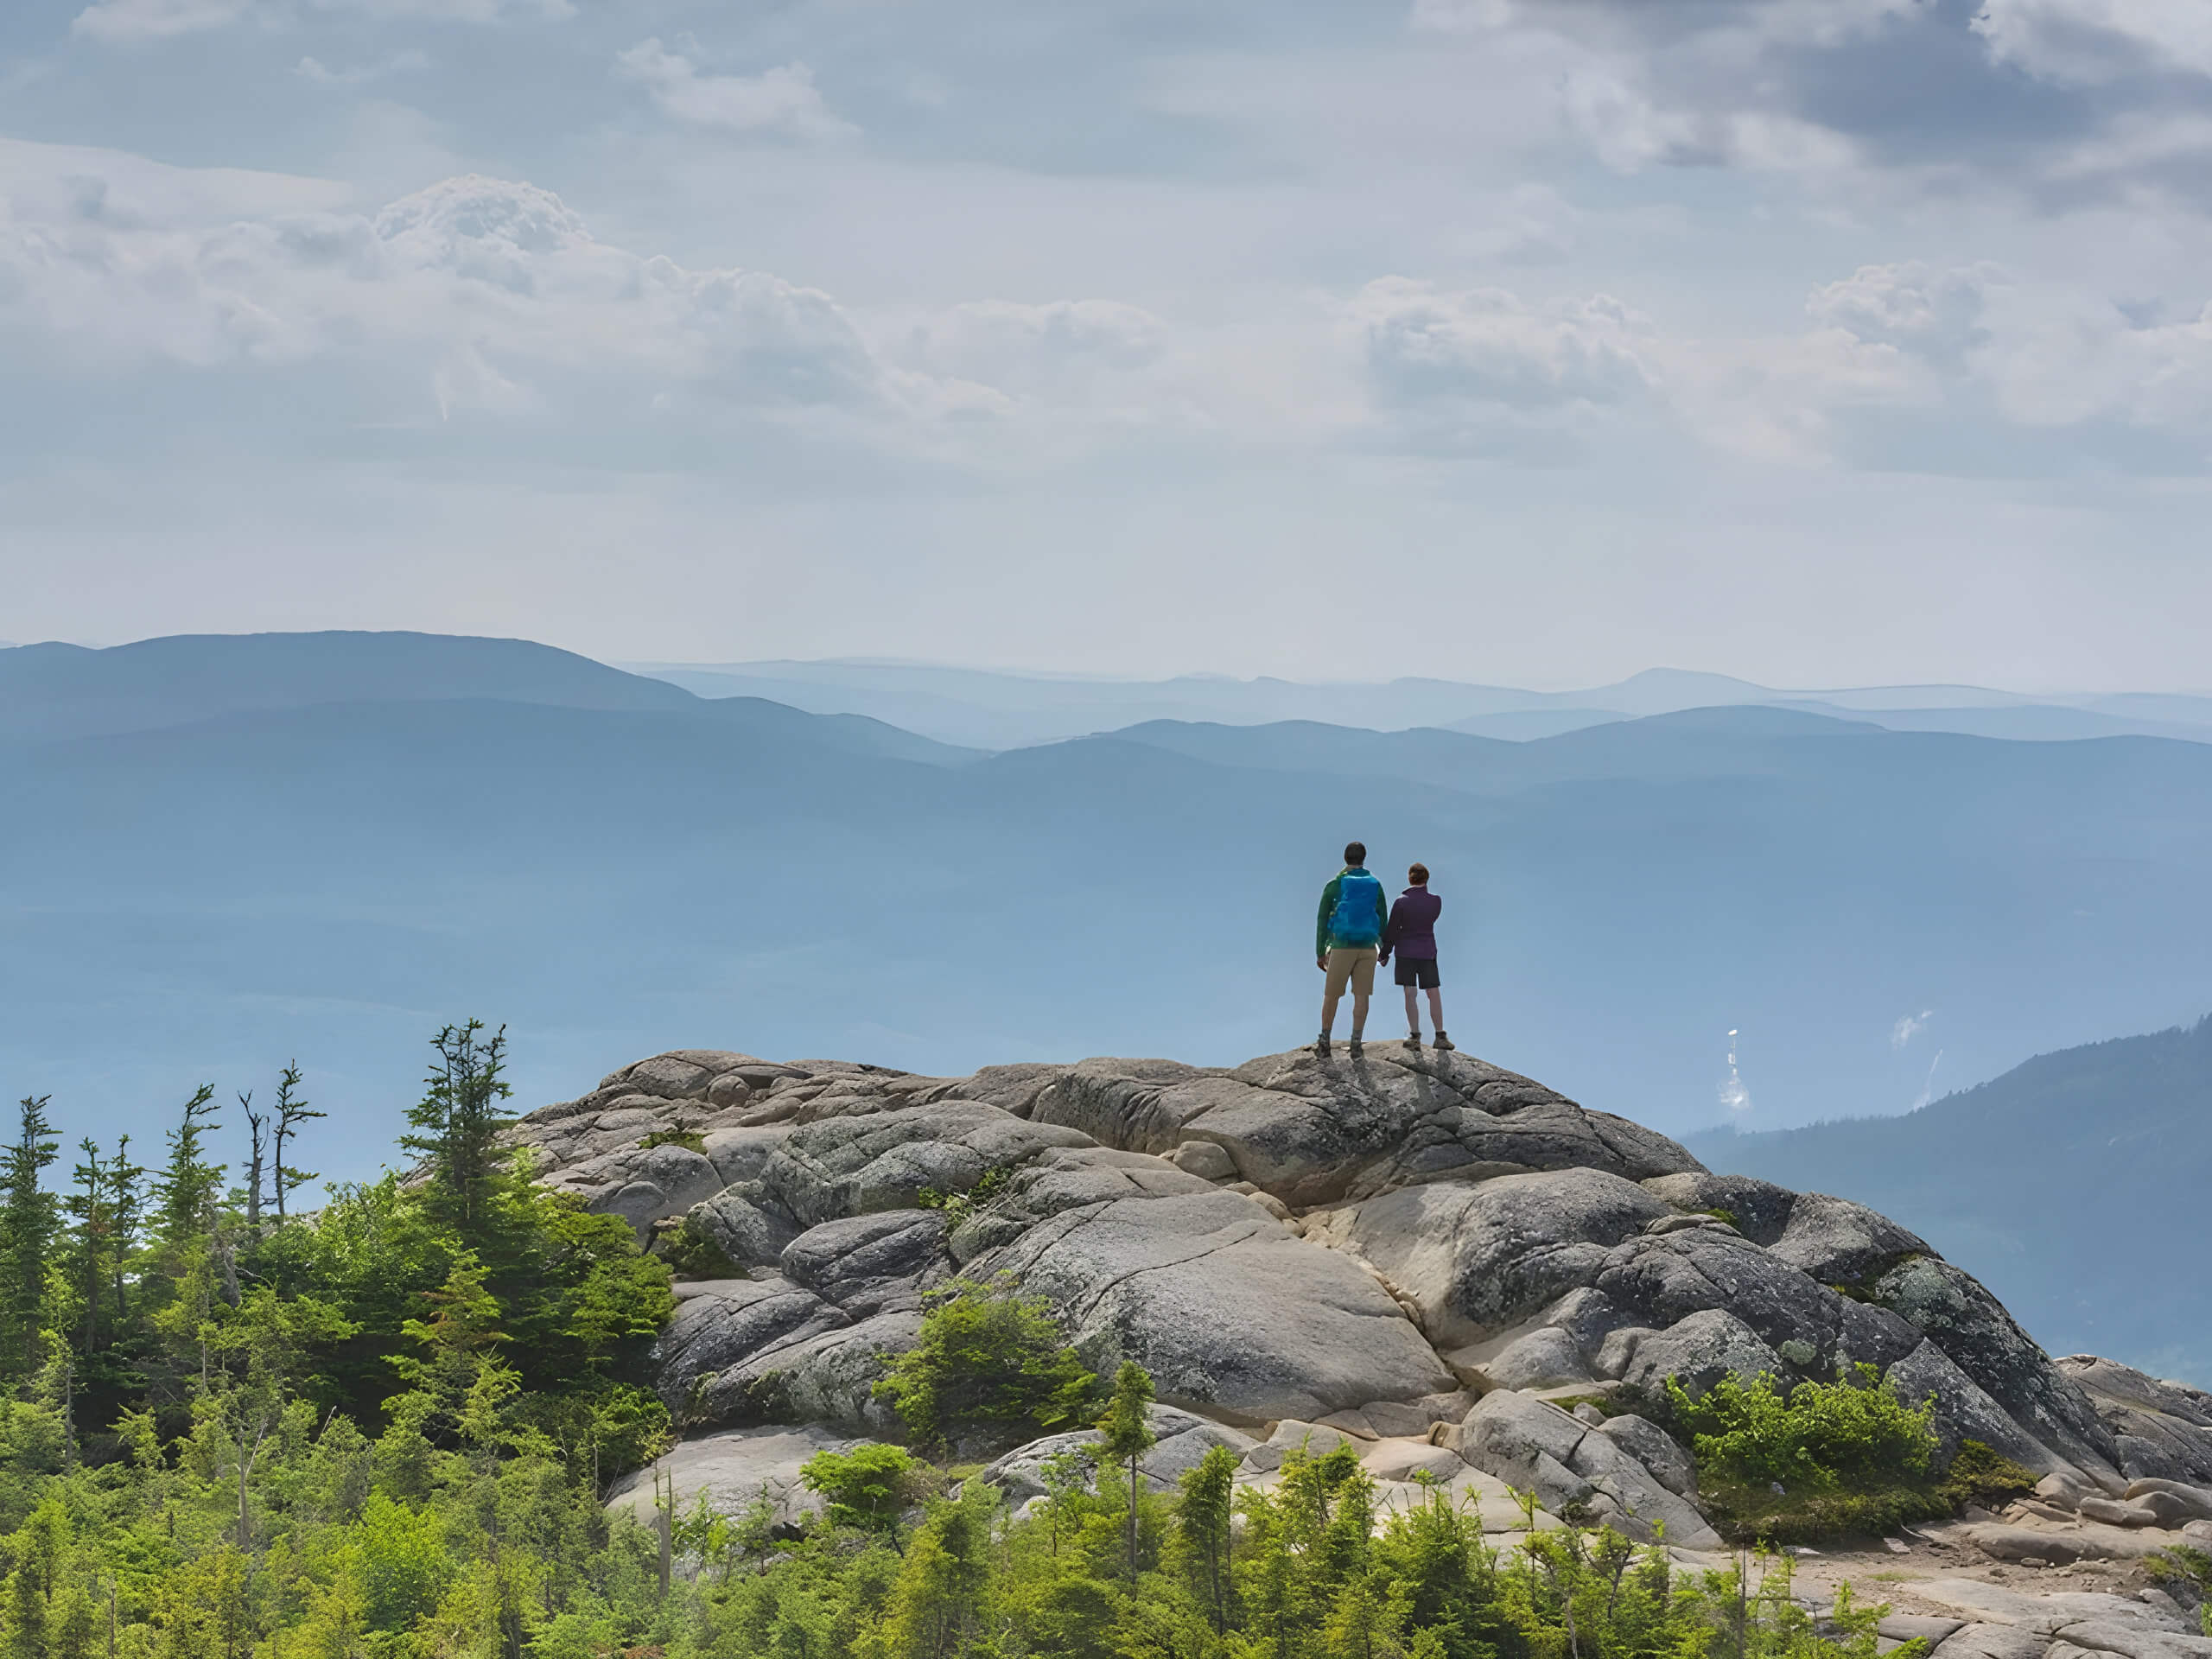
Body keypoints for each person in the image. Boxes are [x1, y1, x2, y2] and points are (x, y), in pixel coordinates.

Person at [1314, 841, 1388, 1059]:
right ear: (1363, 858)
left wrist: (1320, 951)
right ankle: (1356, 1044)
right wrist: (1383, 947)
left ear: (1345, 858)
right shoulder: (1375, 884)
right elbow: (1383, 917)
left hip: (1342, 945)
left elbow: (1322, 918)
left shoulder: (1335, 884)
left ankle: (1325, 1042)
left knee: (1332, 995)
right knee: (1362, 995)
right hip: (1367, 945)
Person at [1379, 861, 1453, 1052]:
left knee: (1410, 993)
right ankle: (1440, 1035)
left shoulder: (1401, 901)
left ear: (1409, 878)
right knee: (1433, 992)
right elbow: (1431, 919)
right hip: (1427, 950)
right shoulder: (1436, 901)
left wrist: (1385, 953)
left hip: (1405, 951)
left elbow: (1393, 929)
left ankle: (1414, 1035)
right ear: (1426, 878)